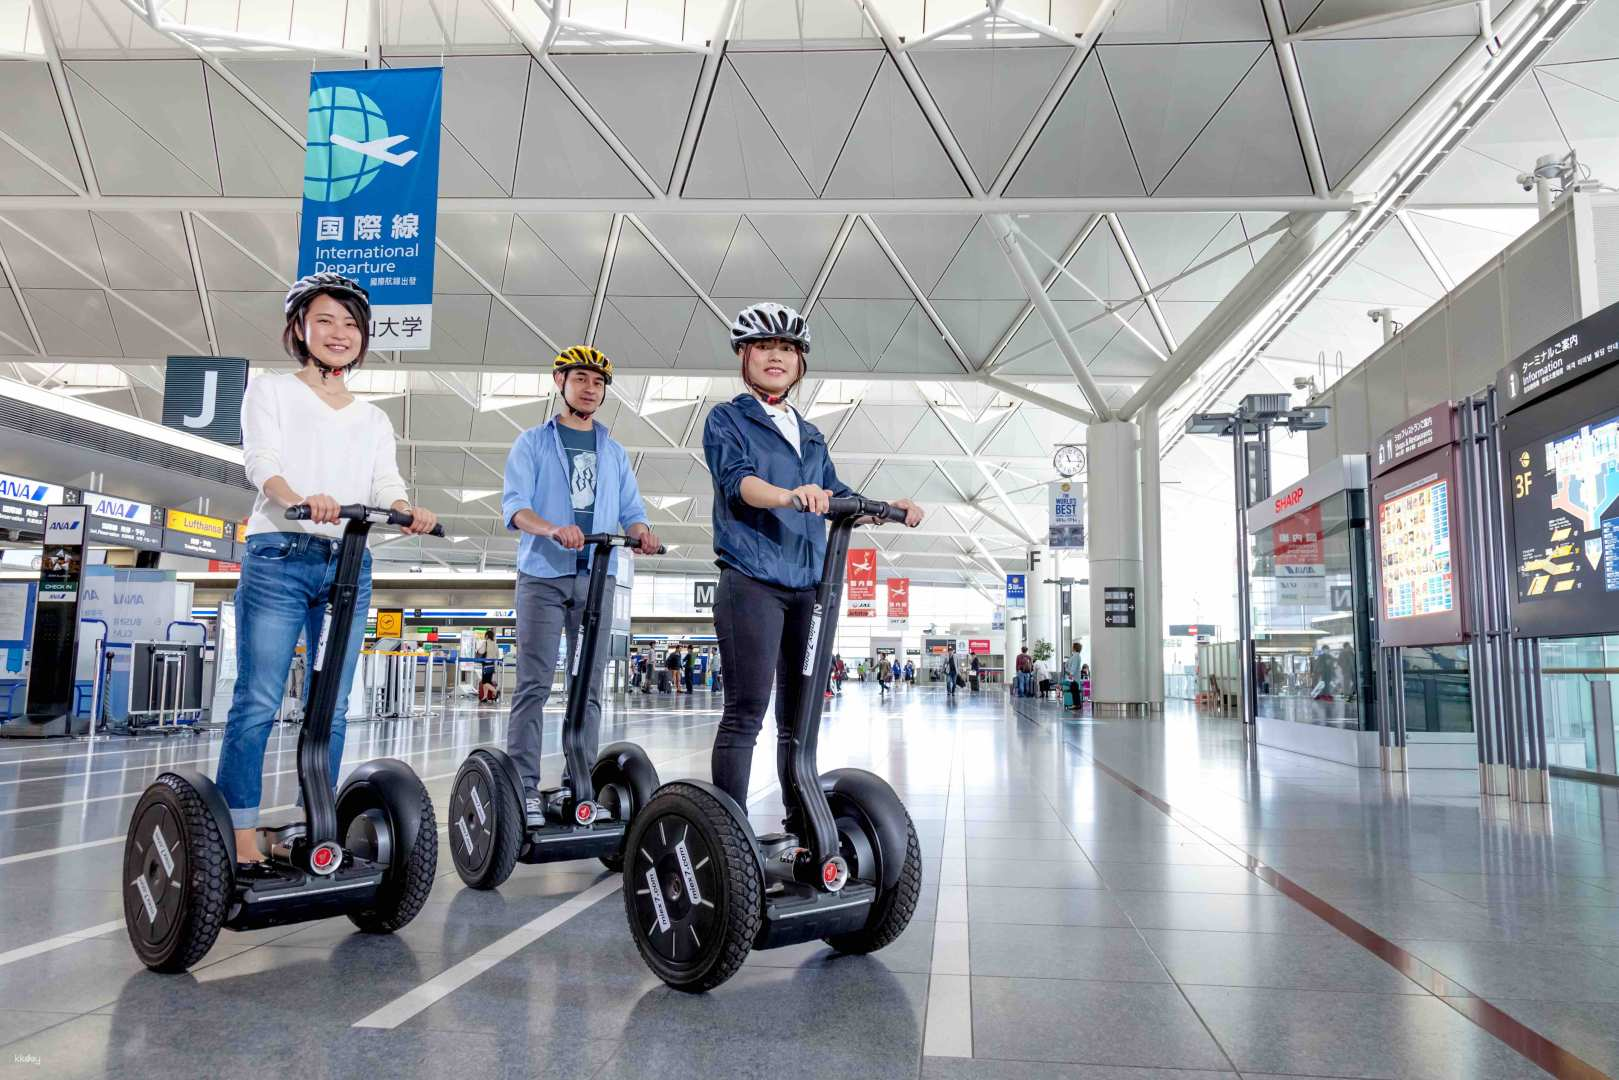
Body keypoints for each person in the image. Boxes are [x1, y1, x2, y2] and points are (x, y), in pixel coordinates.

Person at [219, 271, 439, 867]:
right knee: (259, 699)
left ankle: (306, 822)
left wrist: (405, 510)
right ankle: (237, 834)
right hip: (281, 555)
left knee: (332, 705)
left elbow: (386, 483)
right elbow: (260, 460)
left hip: (347, 563)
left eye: (350, 324)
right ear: (300, 329)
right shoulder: (271, 390)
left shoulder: (372, 417)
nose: (339, 333)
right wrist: (297, 495)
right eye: (325, 321)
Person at [704, 301, 925, 813]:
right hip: (752, 580)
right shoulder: (727, 419)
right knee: (746, 710)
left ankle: (801, 821)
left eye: (787, 348)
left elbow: (834, 491)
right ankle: (728, 831)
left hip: (808, 585)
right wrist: (788, 494)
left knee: (800, 717)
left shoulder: (809, 432)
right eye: (764, 347)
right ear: (744, 355)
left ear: (800, 361)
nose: (776, 356)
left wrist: (888, 508)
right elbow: (739, 483)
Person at [500, 345, 661, 826]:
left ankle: (579, 783)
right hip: (544, 575)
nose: (590, 388)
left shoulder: (613, 452)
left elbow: (632, 511)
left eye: (598, 382)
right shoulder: (531, 442)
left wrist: (642, 534)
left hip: (598, 576)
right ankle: (524, 786)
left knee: (587, 687)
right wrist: (550, 528)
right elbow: (515, 506)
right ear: (560, 382)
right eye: (581, 379)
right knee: (532, 683)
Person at [1064, 642, 1084, 711]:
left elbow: (1074, 666)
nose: (1072, 648)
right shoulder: (1075, 655)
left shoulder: (1076, 656)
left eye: (1072, 646)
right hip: (1073, 676)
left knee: (1075, 691)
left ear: (1075, 648)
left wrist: (1071, 674)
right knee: (1074, 690)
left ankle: (1076, 704)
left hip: (1073, 677)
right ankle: (1076, 704)